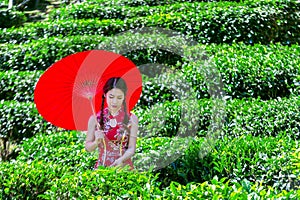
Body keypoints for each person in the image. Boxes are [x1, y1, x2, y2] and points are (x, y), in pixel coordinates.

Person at [85, 77, 138, 170]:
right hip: (101, 170)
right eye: (111, 97)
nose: (114, 101)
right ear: (105, 95)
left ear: (124, 97)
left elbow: (132, 148)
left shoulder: (132, 119)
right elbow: (88, 148)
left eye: (119, 98)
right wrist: (96, 142)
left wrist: (121, 159)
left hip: (124, 169)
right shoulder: (94, 119)